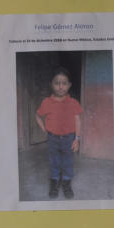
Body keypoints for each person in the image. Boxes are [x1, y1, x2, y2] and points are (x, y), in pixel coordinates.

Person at [36, 67, 82, 199]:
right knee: (54, 161)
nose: (60, 87)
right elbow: (38, 116)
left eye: (64, 83)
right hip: (53, 139)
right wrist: (45, 130)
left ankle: (67, 183)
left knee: (67, 161)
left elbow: (78, 120)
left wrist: (76, 139)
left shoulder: (73, 103)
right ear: (51, 84)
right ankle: (54, 182)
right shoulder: (46, 102)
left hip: (69, 138)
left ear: (69, 85)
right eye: (57, 83)